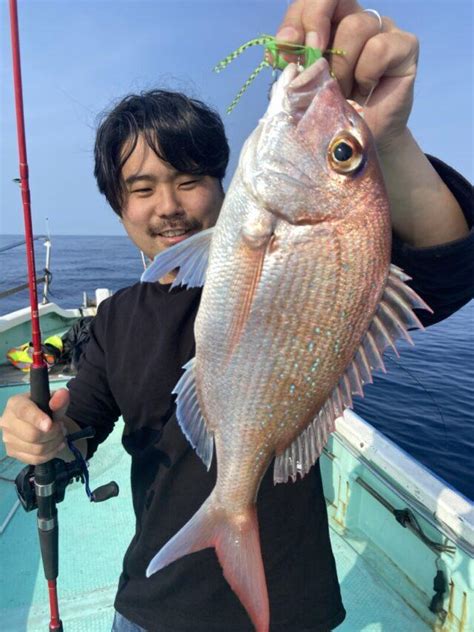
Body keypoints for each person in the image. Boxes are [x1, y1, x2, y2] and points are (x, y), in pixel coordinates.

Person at [1, 1, 472, 630]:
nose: (167, 205)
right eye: (141, 189)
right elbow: (80, 424)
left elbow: (445, 272)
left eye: (189, 179)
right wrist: (46, 438)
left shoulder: (288, 253)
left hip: (290, 605)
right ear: (118, 208)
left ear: (226, 184)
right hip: (154, 604)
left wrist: (384, 140)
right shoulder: (113, 321)